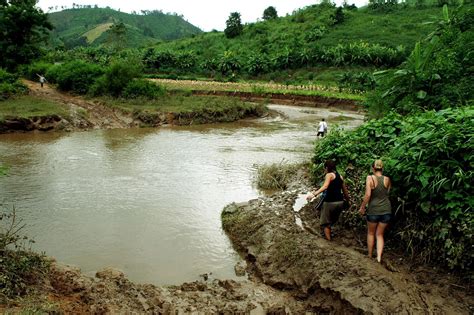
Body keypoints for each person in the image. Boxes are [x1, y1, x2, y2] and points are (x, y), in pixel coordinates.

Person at [307, 160, 350, 240]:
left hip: (330, 202)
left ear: (327, 168)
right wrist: (347, 201)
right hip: (340, 202)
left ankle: (328, 241)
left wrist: (314, 194)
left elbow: (325, 186)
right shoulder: (340, 176)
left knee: (325, 223)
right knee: (332, 221)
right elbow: (345, 191)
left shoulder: (329, 175)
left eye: (325, 168)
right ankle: (330, 234)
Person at [359, 159, 392, 263]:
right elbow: (387, 193)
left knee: (371, 233)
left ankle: (369, 255)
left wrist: (362, 207)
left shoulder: (370, 178)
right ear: (382, 168)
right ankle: (378, 258)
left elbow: (368, 195)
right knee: (380, 234)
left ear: (373, 168)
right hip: (386, 210)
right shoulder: (387, 179)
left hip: (373, 210)